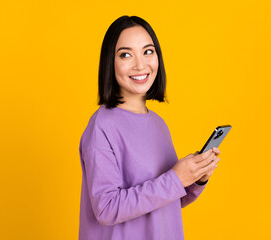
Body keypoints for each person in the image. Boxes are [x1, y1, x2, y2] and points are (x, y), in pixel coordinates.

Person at [78, 15, 221, 240]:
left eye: (148, 51)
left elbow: (165, 200)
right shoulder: (102, 126)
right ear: (109, 62)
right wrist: (176, 178)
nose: (140, 64)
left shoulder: (158, 124)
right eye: (126, 54)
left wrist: (195, 178)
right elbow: (106, 208)